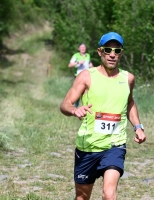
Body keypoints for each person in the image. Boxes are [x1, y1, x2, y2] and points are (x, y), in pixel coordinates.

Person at [60, 32, 146, 200]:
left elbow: (129, 103)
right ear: (100, 52)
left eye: (117, 50)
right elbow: (65, 104)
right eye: (108, 50)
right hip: (88, 146)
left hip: (115, 145)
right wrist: (73, 110)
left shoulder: (128, 78)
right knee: (82, 197)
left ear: (121, 53)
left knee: (109, 193)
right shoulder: (86, 76)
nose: (112, 54)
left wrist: (138, 127)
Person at [68, 43, 93, 107]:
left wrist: (93, 67)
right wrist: (78, 62)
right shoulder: (76, 55)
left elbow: (90, 65)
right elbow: (70, 65)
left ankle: (87, 106)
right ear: (78, 49)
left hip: (87, 77)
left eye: (84, 47)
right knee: (77, 92)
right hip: (78, 76)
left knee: (87, 92)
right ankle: (75, 107)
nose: (83, 48)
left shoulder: (88, 55)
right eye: (81, 47)